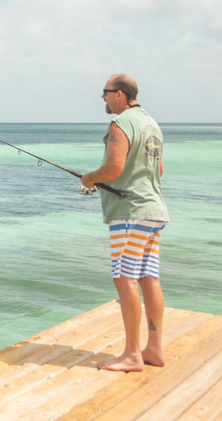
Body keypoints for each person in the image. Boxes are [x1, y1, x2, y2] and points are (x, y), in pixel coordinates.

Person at [81, 74, 169, 373]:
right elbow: (158, 168)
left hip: (130, 212)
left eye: (105, 92)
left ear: (119, 94)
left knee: (124, 277)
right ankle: (154, 349)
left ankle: (132, 354)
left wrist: (89, 178)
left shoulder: (121, 123)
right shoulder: (151, 124)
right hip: (154, 210)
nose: (102, 97)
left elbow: (113, 167)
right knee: (147, 277)